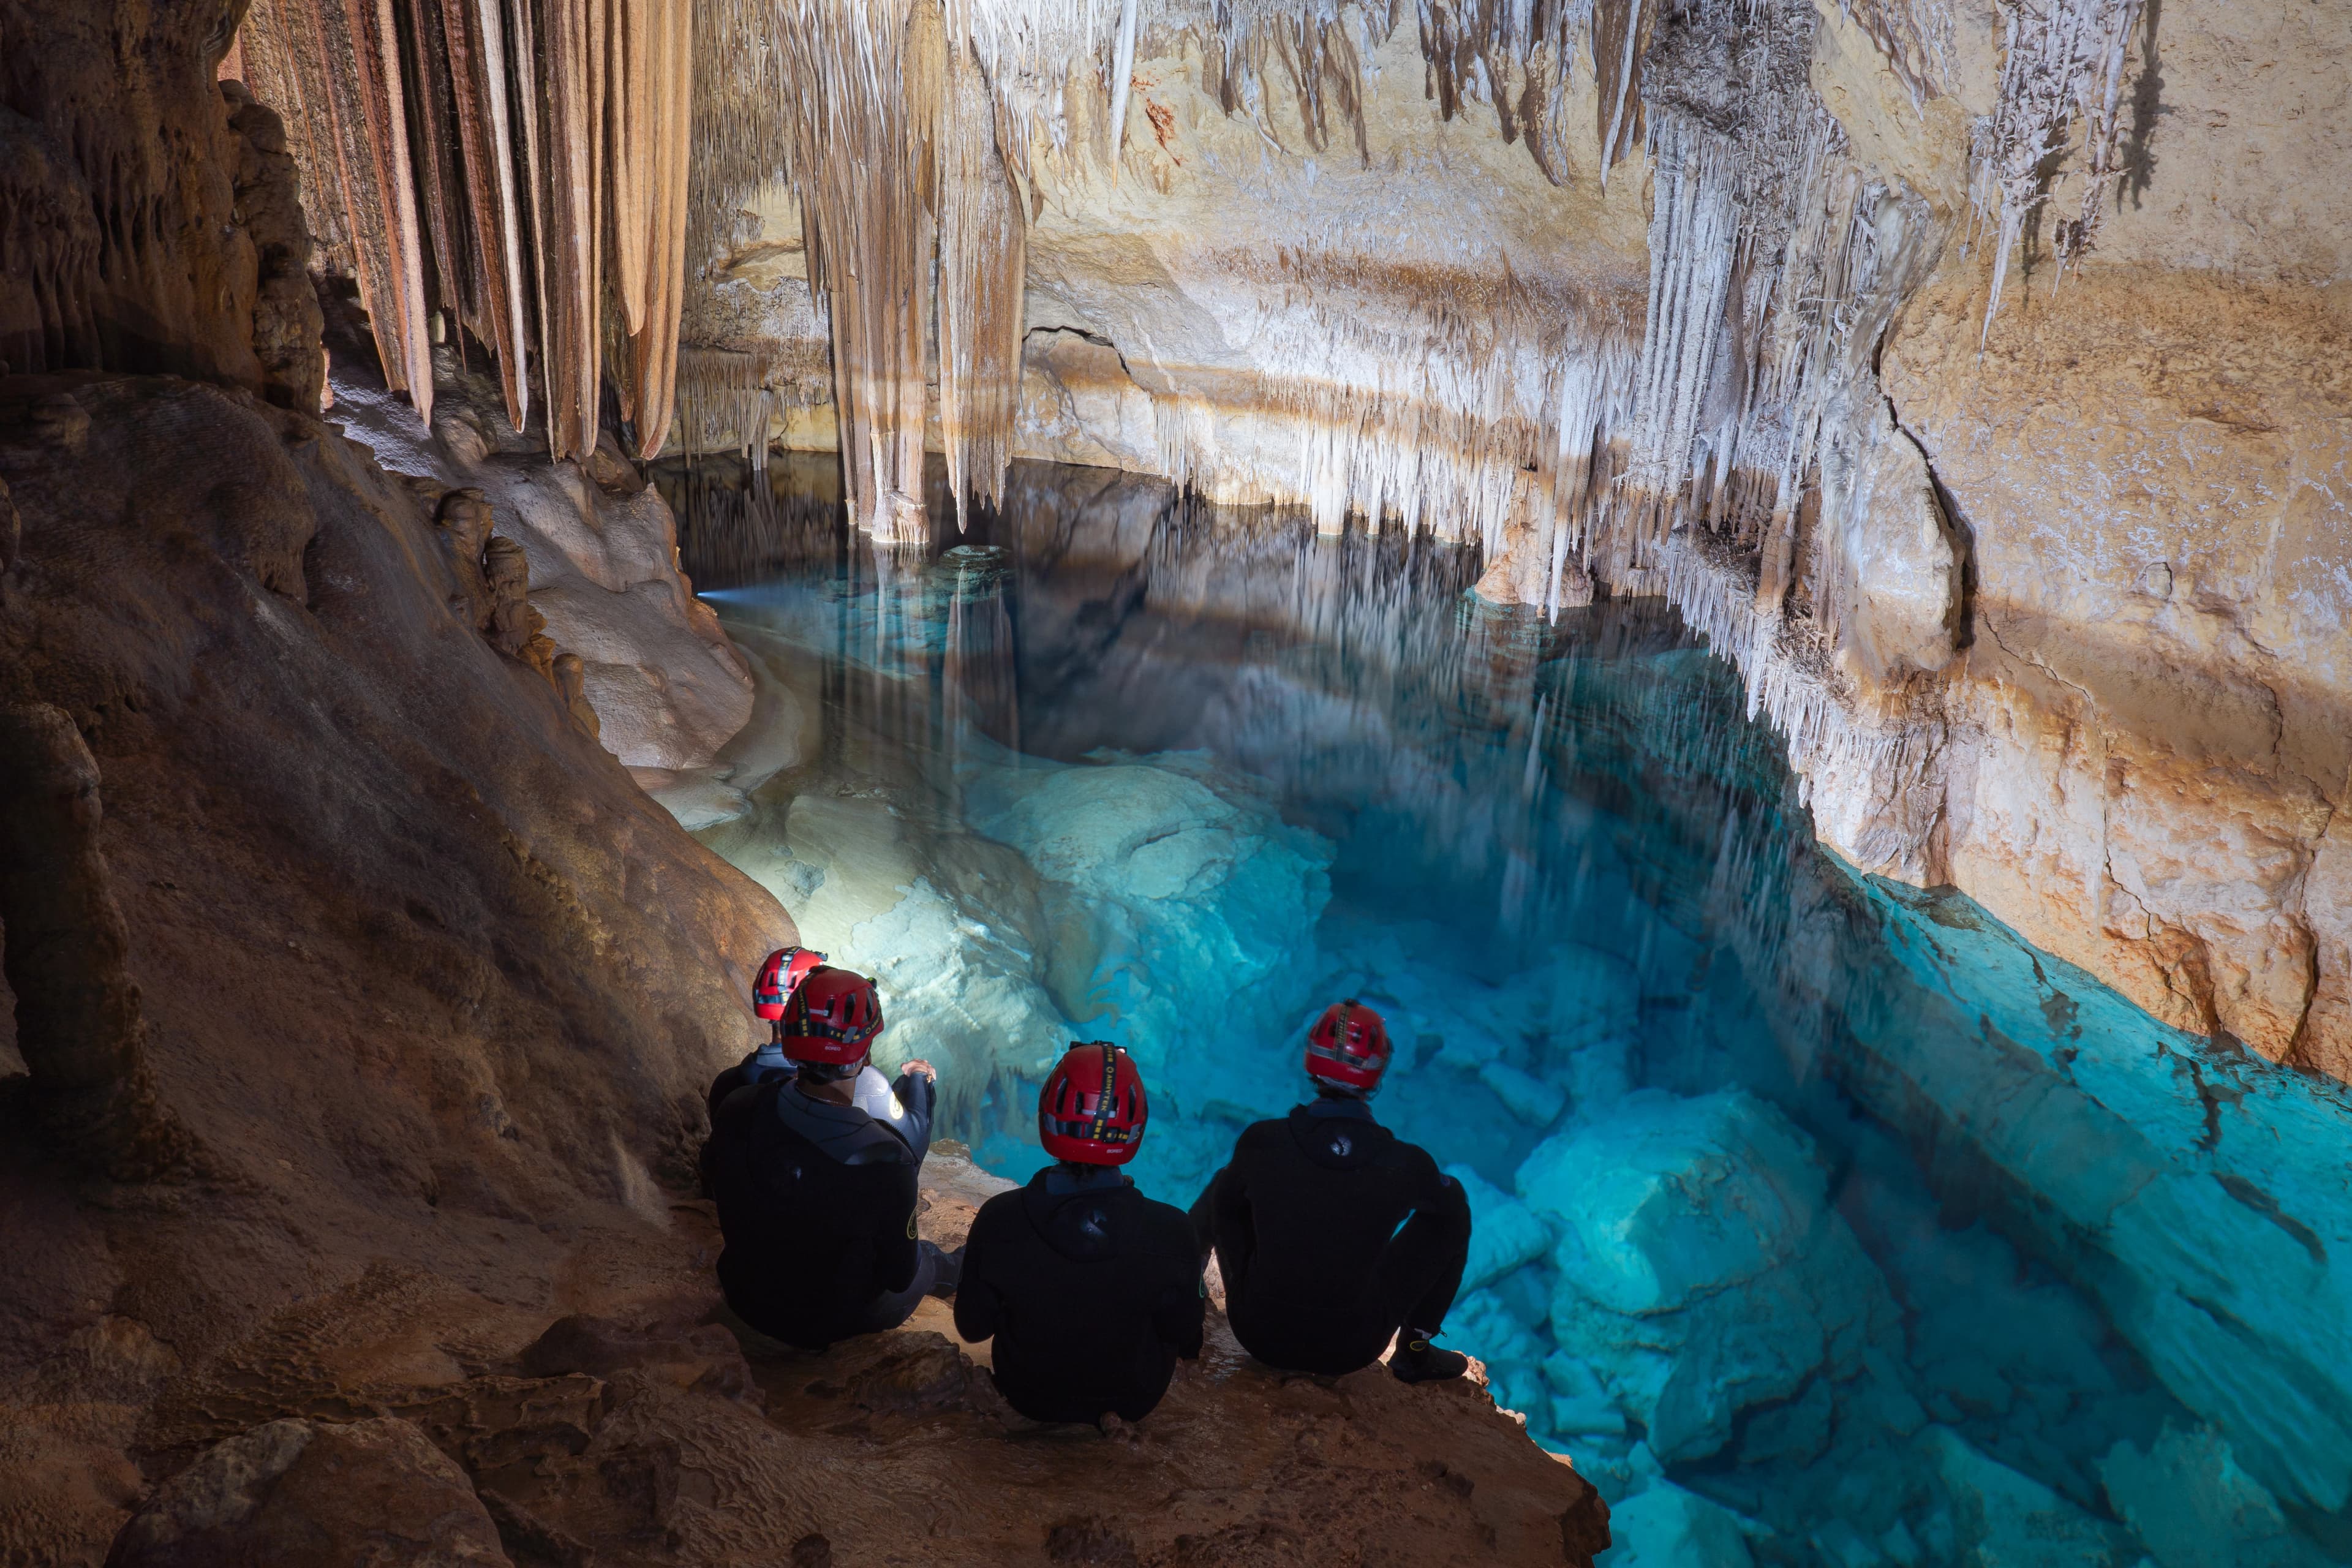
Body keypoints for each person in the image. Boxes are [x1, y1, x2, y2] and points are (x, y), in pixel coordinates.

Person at [1191, 1000, 1473, 1382]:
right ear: (1379, 1071)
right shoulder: (1405, 1165)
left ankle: (1190, 1301)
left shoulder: (1263, 1141)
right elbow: (1448, 1214)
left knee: (1231, 1181)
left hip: (1260, 1334)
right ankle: (1415, 1353)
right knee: (1453, 1212)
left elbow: (1224, 1209)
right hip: (1351, 1347)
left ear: (1310, 1059)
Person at [701, 965, 960, 1350]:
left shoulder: (739, 1105)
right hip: (828, 1321)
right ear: (866, 1054)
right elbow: (899, 1276)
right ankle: (956, 1269)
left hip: (745, 1296)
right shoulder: (887, 1160)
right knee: (927, 1259)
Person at [956, 1043, 1205, 1425]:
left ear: (1047, 1117)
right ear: (1135, 1129)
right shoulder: (1171, 1231)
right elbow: (1183, 1331)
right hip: (1135, 1399)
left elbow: (973, 1328)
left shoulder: (999, 1220)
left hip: (1029, 1394)